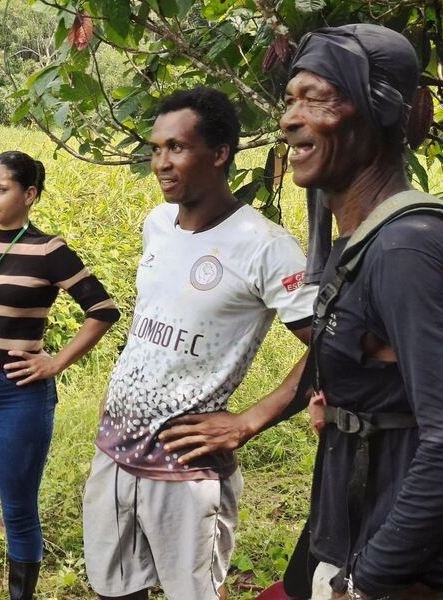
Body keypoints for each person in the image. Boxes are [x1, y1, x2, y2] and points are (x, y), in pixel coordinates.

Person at [82, 86, 316, 600]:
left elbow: (330, 347)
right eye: (156, 148)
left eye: (177, 148)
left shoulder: (265, 247)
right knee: (112, 589)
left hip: (184, 469)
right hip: (115, 451)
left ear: (219, 153)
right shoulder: (157, 224)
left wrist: (251, 420)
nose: (161, 162)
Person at [282, 24, 443, 600]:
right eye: (290, 99)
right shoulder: (368, 240)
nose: (289, 119)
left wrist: (372, 578)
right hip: (354, 540)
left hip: (408, 575)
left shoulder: (406, 248)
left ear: (376, 114)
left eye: (316, 97)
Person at [0, 150, 120, 600]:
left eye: (0, 189)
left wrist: (56, 361)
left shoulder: (48, 249)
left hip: (17, 394)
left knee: (19, 508)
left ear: (30, 194)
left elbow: (102, 310)